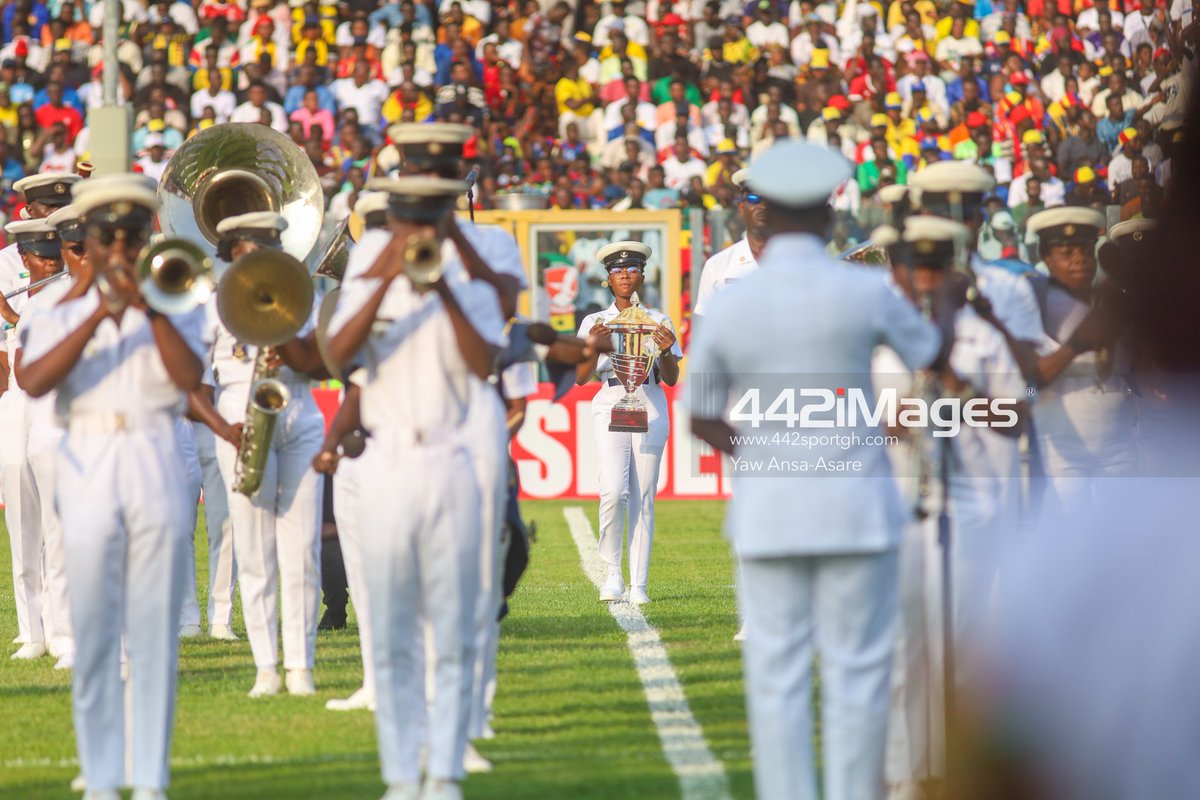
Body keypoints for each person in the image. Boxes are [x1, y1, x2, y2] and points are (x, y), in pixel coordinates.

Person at [687, 140, 948, 800]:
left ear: (765, 213)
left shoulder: (730, 298)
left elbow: (701, 415)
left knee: (775, 678)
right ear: (830, 214)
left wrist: (771, 456)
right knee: (858, 675)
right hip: (856, 506)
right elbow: (926, 351)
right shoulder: (861, 288)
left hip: (771, 510)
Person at [17, 173, 206, 800]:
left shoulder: (176, 298)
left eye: (132, 236)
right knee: (96, 632)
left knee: (152, 637)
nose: (121, 248)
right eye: (109, 237)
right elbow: (38, 380)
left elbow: (186, 378)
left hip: (151, 452)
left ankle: (148, 777)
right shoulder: (53, 309)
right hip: (89, 457)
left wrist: (145, 306)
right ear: (88, 242)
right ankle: (100, 776)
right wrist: (100, 306)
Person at [325, 175, 505, 800]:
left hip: (451, 453)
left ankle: (447, 767)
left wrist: (443, 288)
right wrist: (385, 282)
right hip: (387, 459)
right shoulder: (365, 278)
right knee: (395, 627)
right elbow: (336, 354)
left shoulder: (468, 280)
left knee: (451, 626)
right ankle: (403, 774)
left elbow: (484, 363)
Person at [874, 215, 1027, 798]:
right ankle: (902, 777)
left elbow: (1016, 416)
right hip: (898, 508)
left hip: (968, 510)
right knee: (897, 653)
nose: (927, 280)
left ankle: (954, 776)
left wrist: (958, 396)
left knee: (960, 653)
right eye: (918, 269)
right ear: (905, 274)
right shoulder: (882, 339)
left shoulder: (980, 337)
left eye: (938, 269)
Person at [190, 211, 326, 698]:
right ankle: (266, 665)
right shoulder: (209, 305)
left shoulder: (299, 293)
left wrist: (279, 318)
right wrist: (222, 427)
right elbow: (191, 383)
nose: (267, 254)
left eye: (273, 245)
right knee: (254, 549)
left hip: (299, 412)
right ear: (232, 253)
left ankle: (302, 667)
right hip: (238, 416)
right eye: (255, 248)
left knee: (302, 551)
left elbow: (318, 364)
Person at [575, 242, 682, 605]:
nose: (625, 275)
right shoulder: (595, 322)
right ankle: (612, 572)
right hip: (610, 401)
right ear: (607, 279)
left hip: (649, 402)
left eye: (632, 270)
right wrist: (593, 346)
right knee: (613, 491)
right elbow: (579, 378)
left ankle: (639, 584)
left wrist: (666, 350)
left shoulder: (659, 321)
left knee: (644, 496)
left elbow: (670, 378)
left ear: (642, 276)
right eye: (618, 271)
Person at [2, 171, 79, 661]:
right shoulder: (7, 263)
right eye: (42, 209)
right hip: (14, 394)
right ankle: (33, 630)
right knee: (19, 501)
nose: (50, 214)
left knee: (58, 509)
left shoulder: (77, 258)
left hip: (56, 395)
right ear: (26, 211)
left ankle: (63, 625)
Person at [1026, 207, 1140, 509]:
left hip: (1118, 444)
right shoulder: (1034, 305)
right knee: (1071, 541)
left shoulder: (1113, 299)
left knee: (1125, 535)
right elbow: (1029, 379)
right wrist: (1076, 345)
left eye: (1086, 251)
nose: (1079, 259)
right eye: (1067, 252)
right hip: (1063, 451)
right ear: (1047, 258)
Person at [693, 168, 763, 318]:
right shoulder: (718, 265)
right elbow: (703, 327)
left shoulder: (800, 264)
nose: (762, 206)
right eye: (753, 198)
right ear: (741, 207)